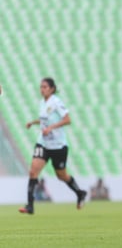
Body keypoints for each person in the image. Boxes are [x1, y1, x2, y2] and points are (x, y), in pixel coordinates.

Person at [19, 77, 87, 214]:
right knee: (33, 171)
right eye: (41, 87)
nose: (42, 89)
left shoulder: (56, 102)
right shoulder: (42, 103)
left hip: (58, 146)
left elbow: (67, 120)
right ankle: (30, 206)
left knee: (61, 175)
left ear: (52, 89)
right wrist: (33, 122)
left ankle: (80, 193)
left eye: (45, 87)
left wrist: (51, 128)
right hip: (43, 143)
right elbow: (44, 119)